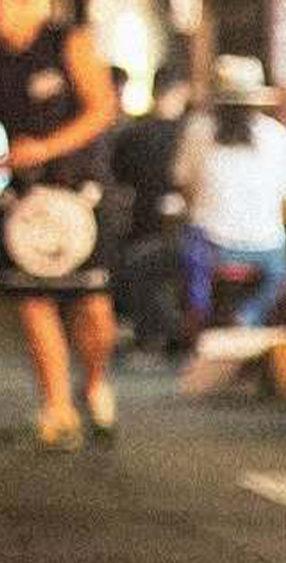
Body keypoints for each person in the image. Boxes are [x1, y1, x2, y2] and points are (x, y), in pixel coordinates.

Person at [0, 0, 122, 451]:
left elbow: (102, 109)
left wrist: (46, 148)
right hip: (25, 201)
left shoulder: (66, 42)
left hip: (81, 190)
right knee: (34, 300)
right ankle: (57, 409)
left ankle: (93, 382)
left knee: (93, 303)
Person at [172, 55, 286, 332]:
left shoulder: (198, 130)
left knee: (152, 263)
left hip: (209, 246)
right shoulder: (275, 135)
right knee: (277, 276)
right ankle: (247, 317)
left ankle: (195, 318)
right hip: (267, 249)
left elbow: (184, 187)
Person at [110, 63, 190, 356]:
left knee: (138, 264)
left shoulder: (131, 135)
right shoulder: (192, 133)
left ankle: (159, 334)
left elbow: (118, 181)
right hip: (189, 233)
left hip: (141, 231)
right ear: (182, 91)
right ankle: (171, 333)